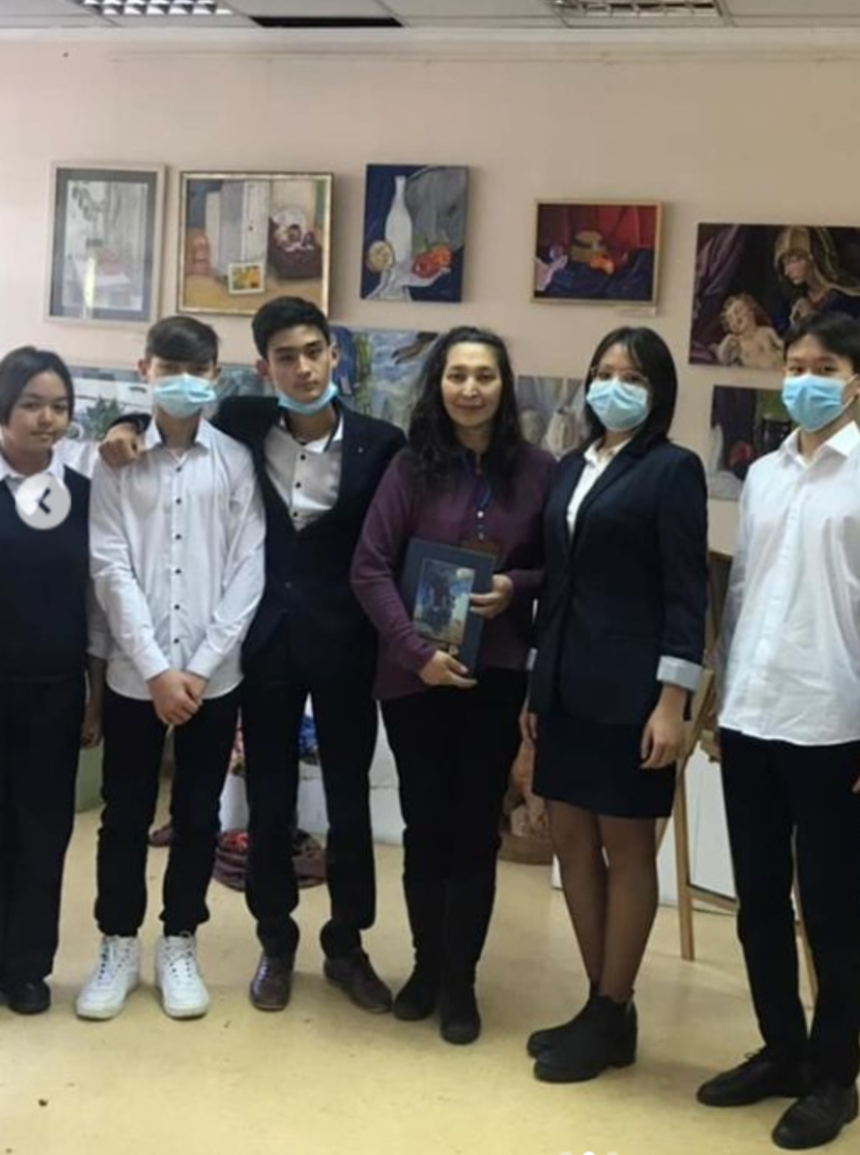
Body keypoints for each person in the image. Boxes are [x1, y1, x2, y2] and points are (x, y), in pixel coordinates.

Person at [98, 296, 405, 1015]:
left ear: (334, 354)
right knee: (268, 799)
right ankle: (276, 940)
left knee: (349, 803)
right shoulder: (242, 424)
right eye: (285, 358)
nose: (303, 369)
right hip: (265, 648)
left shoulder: (382, 443)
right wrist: (122, 426)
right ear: (263, 368)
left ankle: (347, 944)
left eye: (313, 352)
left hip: (345, 647)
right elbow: (165, 417)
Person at [701, 312, 860, 1150]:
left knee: (828, 909)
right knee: (757, 901)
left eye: (823, 367)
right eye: (794, 364)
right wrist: (721, 701)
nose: (803, 379)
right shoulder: (763, 475)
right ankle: (782, 1051)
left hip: (831, 723)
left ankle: (836, 1076)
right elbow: (745, 593)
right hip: (751, 716)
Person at [352, 327, 553, 1045]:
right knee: (424, 828)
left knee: (473, 832)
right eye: (457, 375)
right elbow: (369, 568)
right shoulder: (410, 468)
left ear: (505, 385)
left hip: (493, 678)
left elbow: (560, 568)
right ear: (437, 384)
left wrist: (515, 585)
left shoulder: (540, 471)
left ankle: (461, 980)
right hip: (415, 682)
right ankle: (426, 967)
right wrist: (416, 655)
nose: (470, 389)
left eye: (485, 376)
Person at [524, 326, 707, 1084]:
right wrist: (536, 686)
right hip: (565, 684)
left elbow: (687, 592)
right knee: (571, 842)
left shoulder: (673, 469)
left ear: (658, 391)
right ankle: (604, 1008)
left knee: (626, 849)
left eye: (631, 376)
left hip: (634, 693)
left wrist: (672, 702)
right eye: (603, 372)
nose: (613, 387)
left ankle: (610, 1005)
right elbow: (556, 583)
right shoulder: (571, 467)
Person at [79, 316, 266, 1022]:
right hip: (136, 677)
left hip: (215, 678)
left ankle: (180, 941)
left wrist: (202, 664)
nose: (184, 382)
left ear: (216, 375)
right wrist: (158, 670)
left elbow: (249, 568)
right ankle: (118, 944)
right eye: (169, 369)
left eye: (197, 370)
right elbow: (109, 567)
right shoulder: (116, 461)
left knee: (196, 813)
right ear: (145, 371)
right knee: (125, 813)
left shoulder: (235, 461)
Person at [0, 348, 106, 1015]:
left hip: (54, 688)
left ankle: (26, 966)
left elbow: (96, 606)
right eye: (32, 404)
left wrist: (96, 695)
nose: (47, 418)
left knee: (41, 831)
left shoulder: (85, 496)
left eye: (59, 407)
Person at [773, 226, 860, 344]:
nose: (787, 272)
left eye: (792, 261)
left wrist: (813, 319)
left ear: (812, 257)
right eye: (784, 264)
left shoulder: (851, 303)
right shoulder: (790, 306)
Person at [716, 294, 784, 371]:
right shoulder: (737, 343)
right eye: (730, 318)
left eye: (738, 311)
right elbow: (722, 358)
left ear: (751, 310)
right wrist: (727, 341)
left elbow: (782, 345)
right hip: (757, 376)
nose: (735, 317)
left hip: (778, 371)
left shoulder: (766, 331)